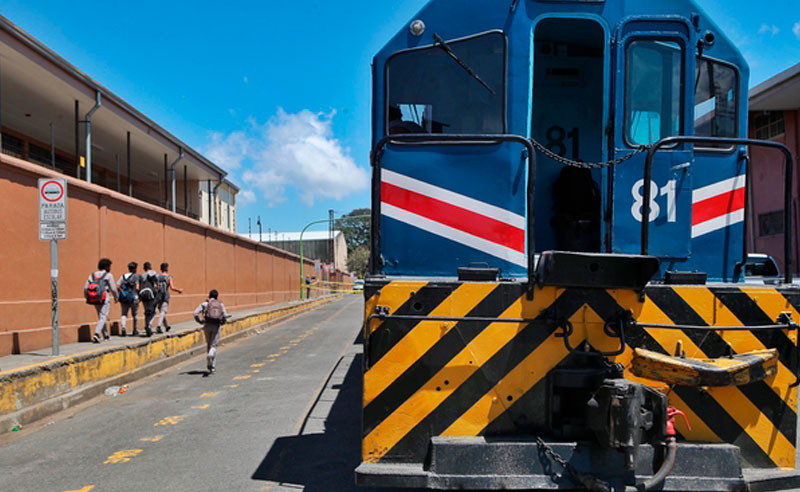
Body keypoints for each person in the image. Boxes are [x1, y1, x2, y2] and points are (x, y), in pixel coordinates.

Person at [194, 289, 229, 374]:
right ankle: (212, 365)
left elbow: (195, 313)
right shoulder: (220, 304)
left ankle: (211, 365)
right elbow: (225, 315)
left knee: (209, 344)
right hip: (216, 326)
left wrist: (200, 321)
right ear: (217, 297)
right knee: (214, 345)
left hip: (207, 325)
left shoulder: (205, 304)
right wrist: (224, 321)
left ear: (209, 296)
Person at [84, 258, 118, 343]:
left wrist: (87, 296)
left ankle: (106, 335)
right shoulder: (109, 275)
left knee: (101, 317)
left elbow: (86, 287)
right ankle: (96, 334)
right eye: (110, 266)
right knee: (103, 316)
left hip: (94, 298)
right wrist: (116, 297)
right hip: (104, 297)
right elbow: (113, 288)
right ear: (106, 266)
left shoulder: (92, 275)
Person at [154, 262, 183, 333]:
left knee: (161, 311)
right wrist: (179, 290)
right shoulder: (169, 277)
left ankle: (166, 326)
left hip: (159, 295)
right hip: (165, 295)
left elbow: (157, 286)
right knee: (163, 311)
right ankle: (159, 326)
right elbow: (172, 287)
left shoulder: (157, 277)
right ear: (166, 268)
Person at [117, 262, 140, 337]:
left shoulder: (123, 276)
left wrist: (122, 293)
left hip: (124, 298)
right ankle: (135, 330)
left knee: (124, 314)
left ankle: (123, 327)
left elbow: (118, 286)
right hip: (134, 298)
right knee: (135, 315)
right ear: (135, 269)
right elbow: (137, 287)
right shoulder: (136, 276)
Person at [139, 262, 159, 337]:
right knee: (153, 311)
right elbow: (158, 284)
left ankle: (146, 325)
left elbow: (138, 287)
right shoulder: (154, 273)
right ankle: (149, 325)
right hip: (151, 295)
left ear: (144, 268)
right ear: (150, 267)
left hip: (143, 295)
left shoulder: (141, 276)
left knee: (146, 311)